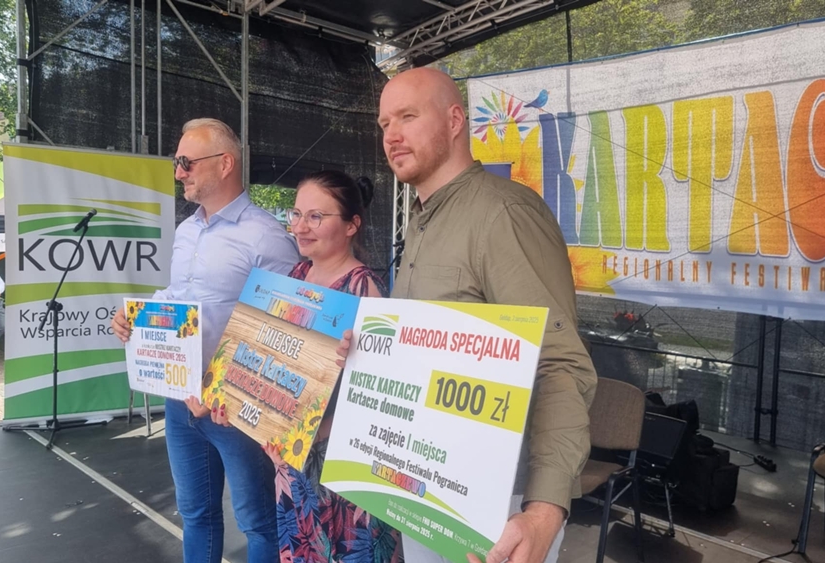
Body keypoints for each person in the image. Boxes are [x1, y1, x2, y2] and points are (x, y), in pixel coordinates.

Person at [356, 67, 599, 563]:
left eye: (407, 117)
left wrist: (543, 513)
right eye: (384, 124)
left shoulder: (503, 214)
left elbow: (559, 364)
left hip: (496, 502)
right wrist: (368, 352)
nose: (391, 136)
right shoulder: (422, 219)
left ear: (454, 121)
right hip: (426, 480)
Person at [111, 118, 300, 563]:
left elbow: (283, 329)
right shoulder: (187, 231)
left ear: (225, 164)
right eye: (178, 162)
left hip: (233, 408)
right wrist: (137, 315)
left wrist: (223, 391)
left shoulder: (267, 236)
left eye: (186, 162)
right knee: (195, 514)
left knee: (259, 523)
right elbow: (179, 297)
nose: (179, 172)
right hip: (181, 398)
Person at [212, 170, 401, 563]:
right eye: (296, 214)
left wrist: (308, 435)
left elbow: (380, 400)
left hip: (341, 470)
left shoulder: (364, 291)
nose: (299, 227)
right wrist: (230, 399)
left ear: (352, 225)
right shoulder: (293, 278)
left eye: (316, 216)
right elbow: (266, 362)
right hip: (291, 465)